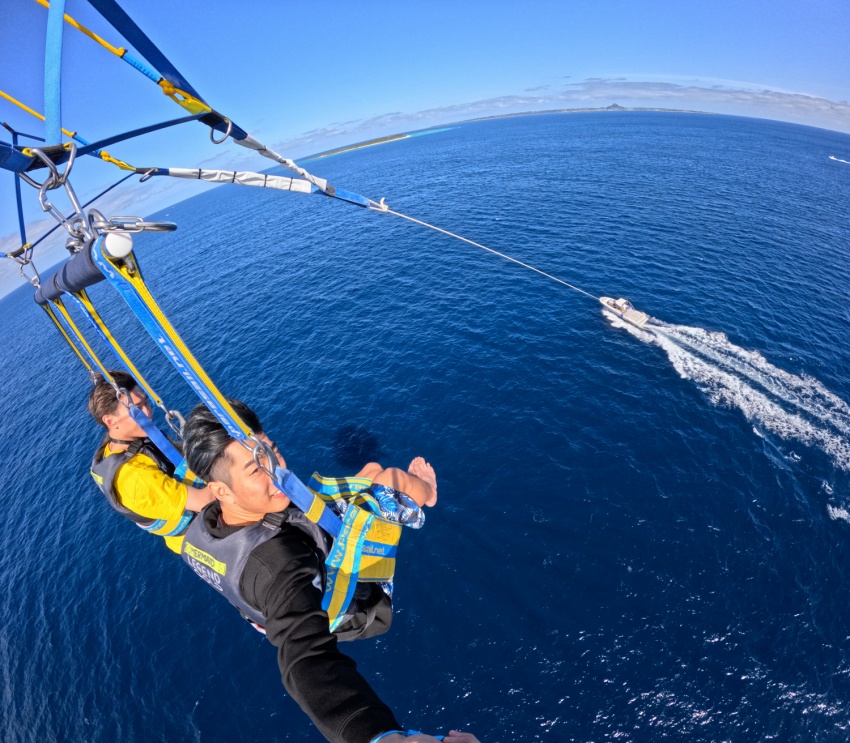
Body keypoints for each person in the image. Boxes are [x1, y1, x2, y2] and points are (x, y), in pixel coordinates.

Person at [180, 400, 477, 743]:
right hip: (353, 600)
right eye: (255, 470)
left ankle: (380, 482)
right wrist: (383, 737)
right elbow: (305, 662)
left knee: (369, 469)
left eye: (271, 452)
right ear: (221, 490)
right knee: (392, 478)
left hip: (305, 543)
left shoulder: (204, 524)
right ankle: (425, 491)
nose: (275, 470)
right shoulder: (281, 566)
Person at [88, 370, 213, 553]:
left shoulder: (125, 441)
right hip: (205, 537)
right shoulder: (134, 477)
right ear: (110, 420)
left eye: (146, 402)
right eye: (137, 409)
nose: (148, 412)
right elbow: (205, 500)